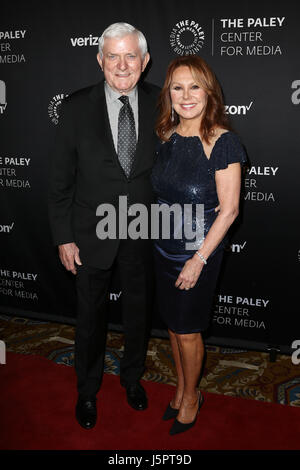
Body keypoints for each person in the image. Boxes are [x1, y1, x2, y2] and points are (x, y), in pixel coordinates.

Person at [48, 22, 160, 429]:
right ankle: (87, 391)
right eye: (112, 55)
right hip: (90, 232)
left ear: (145, 61)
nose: (122, 64)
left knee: (138, 313)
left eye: (131, 55)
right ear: (99, 60)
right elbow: (60, 180)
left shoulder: (163, 101)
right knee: (90, 318)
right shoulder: (76, 107)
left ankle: (132, 379)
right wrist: (64, 237)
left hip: (144, 228)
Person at [151, 55, 247, 435]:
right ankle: (180, 387)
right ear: (168, 93)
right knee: (174, 328)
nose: (186, 95)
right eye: (177, 87)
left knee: (188, 330)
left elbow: (229, 210)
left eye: (194, 86)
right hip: (162, 248)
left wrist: (198, 260)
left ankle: (192, 396)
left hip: (198, 253)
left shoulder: (223, 142)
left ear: (209, 91)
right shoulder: (165, 135)